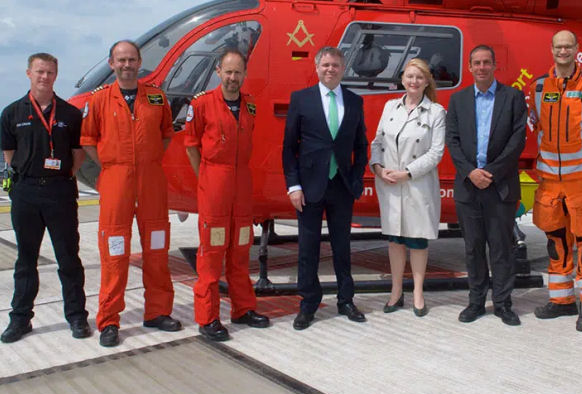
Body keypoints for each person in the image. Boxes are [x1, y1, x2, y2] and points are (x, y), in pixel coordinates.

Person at [81, 40, 182, 347]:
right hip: (116, 183)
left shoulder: (156, 97)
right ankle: (110, 320)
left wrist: (145, 162)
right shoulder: (99, 101)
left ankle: (157, 312)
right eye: (121, 60)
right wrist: (115, 165)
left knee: (157, 249)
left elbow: (166, 135)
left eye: (132, 60)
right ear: (112, 64)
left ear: (140, 63)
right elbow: (87, 140)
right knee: (114, 254)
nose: (126, 65)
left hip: (151, 182)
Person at [0, 53, 89, 343]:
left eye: (50, 72)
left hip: (59, 191)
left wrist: (59, 177)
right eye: (39, 72)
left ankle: (77, 317)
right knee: (26, 260)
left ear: (56, 75)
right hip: (25, 193)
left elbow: (78, 155)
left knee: (68, 259)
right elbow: (10, 155)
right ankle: (20, 319)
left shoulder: (70, 114)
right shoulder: (12, 112)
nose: (44, 77)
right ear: (29, 73)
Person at [184, 49, 271, 341]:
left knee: (240, 248)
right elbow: (190, 145)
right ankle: (208, 317)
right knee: (211, 253)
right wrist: (206, 179)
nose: (233, 78)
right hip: (215, 184)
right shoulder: (201, 104)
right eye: (228, 72)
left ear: (244, 74)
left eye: (238, 73)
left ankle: (243, 309)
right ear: (218, 71)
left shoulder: (250, 106)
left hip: (241, 185)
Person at [526, 30, 582, 332]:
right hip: (550, 181)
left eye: (568, 46)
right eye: (558, 46)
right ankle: (561, 301)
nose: (563, 51)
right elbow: (535, 124)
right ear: (552, 50)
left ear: (577, 49)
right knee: (556, 243)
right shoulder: (537, 87)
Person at [282, 46, 369, 330]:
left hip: (341, 186)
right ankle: (308, 304)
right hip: (308, 188)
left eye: (336, 65)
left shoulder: (355, 102)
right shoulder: (301, 99)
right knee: (308, 248)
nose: (330, 69)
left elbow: (360, 146)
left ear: (343, 69)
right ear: (317, 68)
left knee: (342, 247)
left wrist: (356, 180)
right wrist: (293, 185)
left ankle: (346, 300)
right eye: (326, 65)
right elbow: (289, 148)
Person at [445, 45, 527, 326]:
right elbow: (452, 141)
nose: (481, 67)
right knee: (473, 247)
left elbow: (518, 140)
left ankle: (503, 303)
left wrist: (489, 172)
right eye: (476, 63)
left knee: (502, 247)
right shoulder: (458, 100)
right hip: (469, 187)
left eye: (486, 63)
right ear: (469, 67)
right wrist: (470, 172)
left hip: (500, 185)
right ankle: (476, 302)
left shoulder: (513, 97)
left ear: (494, 66)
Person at [370, 58, 446, 317]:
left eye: (419, 77)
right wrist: (378, 167)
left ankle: (417, 292)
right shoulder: (390, 106)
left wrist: (407, 173)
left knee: (417, 240)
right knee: (395, 240)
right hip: (390, 184)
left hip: (417, 185)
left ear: (426, 82)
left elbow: (436, 152)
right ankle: (395, 292)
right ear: (402, 79)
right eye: (409, 76)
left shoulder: (436, 112)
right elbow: (377, 141)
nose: (413, 81)